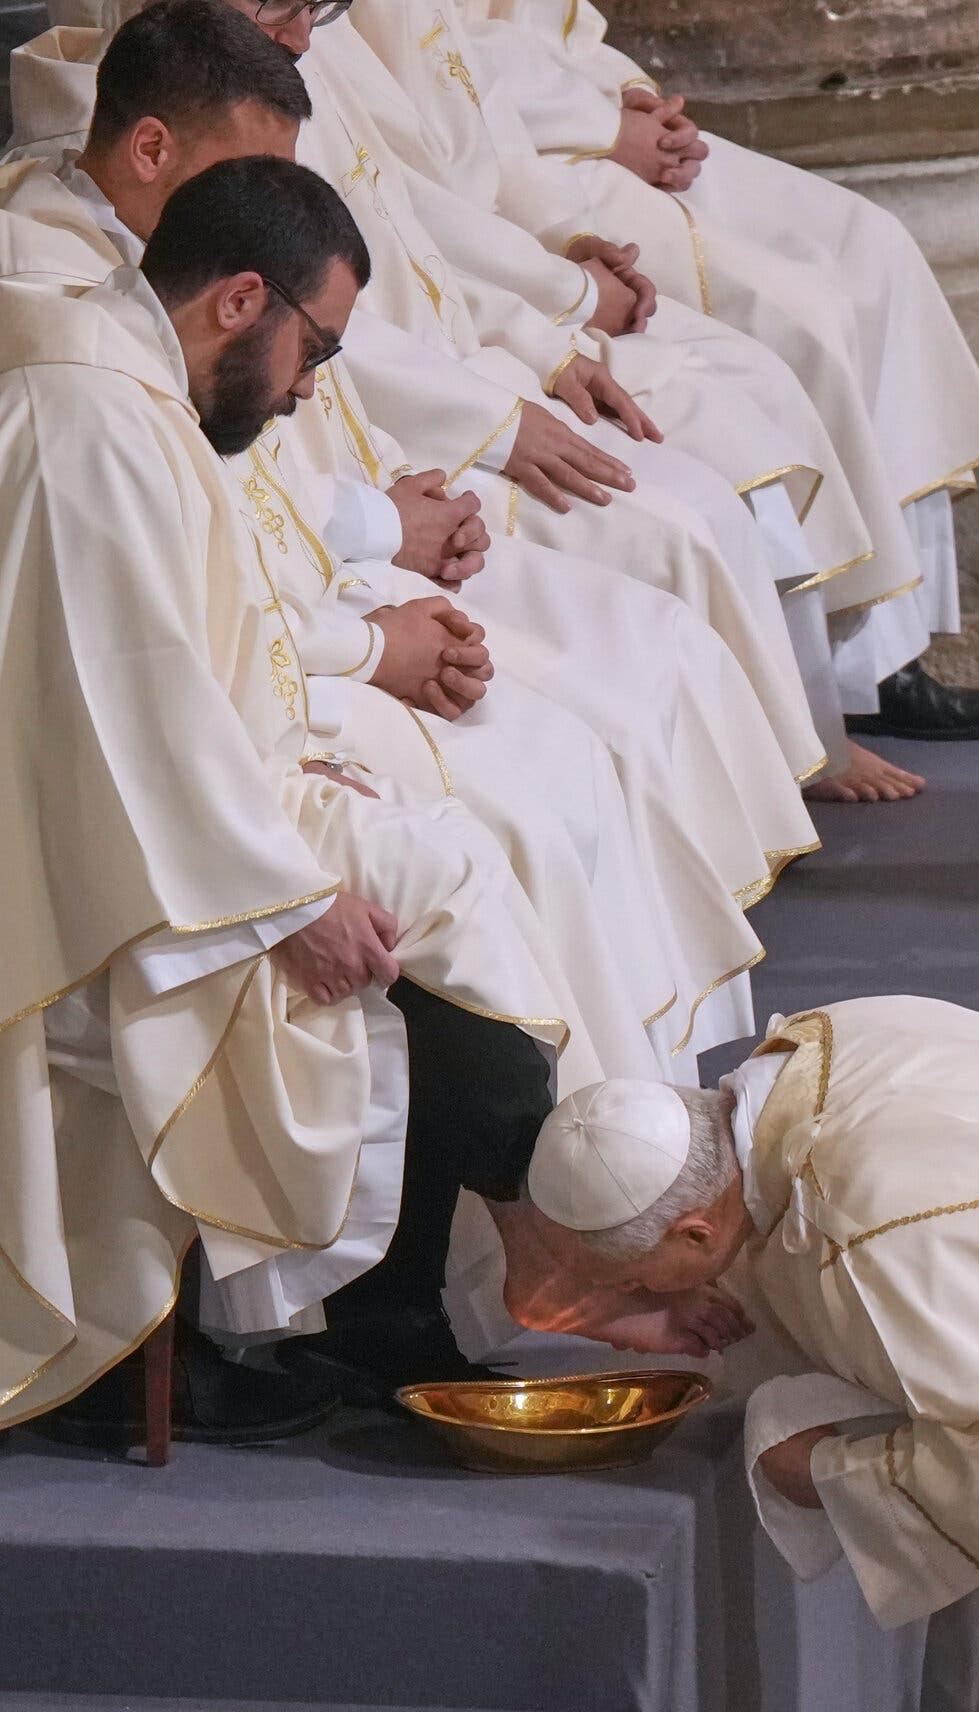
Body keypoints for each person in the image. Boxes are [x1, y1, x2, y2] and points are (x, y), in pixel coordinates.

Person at [0, 0, 828, 1077]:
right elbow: (134, 657)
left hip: (304, 616)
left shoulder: (157, 291)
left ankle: (626, 1134)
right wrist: (362, 653)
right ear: (155, 149)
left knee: (577, 752)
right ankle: (564, 1190)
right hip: (263, 685)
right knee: (509, 832)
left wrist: (383, 529)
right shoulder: (70, 332)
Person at [0, 151, 599, 1445]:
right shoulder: (92, 417)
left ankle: (450, 1273)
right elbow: (118, 708)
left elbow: (167, 671)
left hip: (143, 816)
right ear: (239, 300)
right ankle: (528, 1234)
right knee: (411, 899)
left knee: (438, 862)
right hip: (69, 873)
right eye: (313, 347)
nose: (308, 388)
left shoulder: (130, 382)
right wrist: (282, 899)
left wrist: (283, 760)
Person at [14, 0, 966, 805]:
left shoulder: (250, 107)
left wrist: (545, 330)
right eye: (285, 5)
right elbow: (165, 561)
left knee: (652, 642)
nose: (304, 30)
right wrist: (384, 538)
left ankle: (827, 717)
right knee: (584, 719)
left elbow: (416, 209)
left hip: (375, 480)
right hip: (332, 549)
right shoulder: (67, 287)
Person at [502, 995, 979, 1712]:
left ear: (695, 1235)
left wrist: (826, 1470)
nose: (626, 1303)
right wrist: (678, 1298)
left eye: (629, 1282)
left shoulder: (872, 1220)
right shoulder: (804, 1065)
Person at [419, 0, 979, 745]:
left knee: (876, 245)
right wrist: (605, 129)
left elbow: (555, 24)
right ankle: (861, 663)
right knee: (807, 320)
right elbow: (454, 69)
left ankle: (894, 642)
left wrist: (634, 99)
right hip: (537, 163)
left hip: (583, 125)